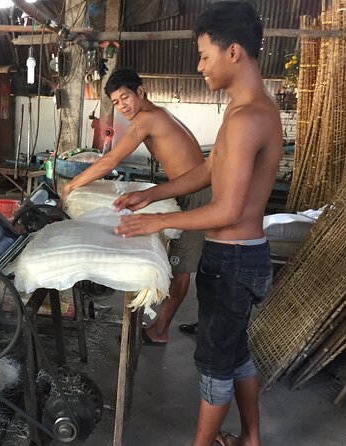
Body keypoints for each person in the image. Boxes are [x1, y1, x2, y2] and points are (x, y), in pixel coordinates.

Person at [115, 3, 281, 445]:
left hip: (233, 259)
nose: (199, 65)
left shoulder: (249, 118)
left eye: (205, 55)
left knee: (213, 362)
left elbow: (227, 209)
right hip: (237, 257)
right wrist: (152, 194)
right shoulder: (241, 109)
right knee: (235, 352)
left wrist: (160, 222)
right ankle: (250, 438)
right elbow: (209, 171)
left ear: (234, 53)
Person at [60, 68, 210, 345]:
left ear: (140, 91)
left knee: (182, 265)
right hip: (187, 186)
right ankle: (164, 326)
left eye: (125, 97)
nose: (122, 106)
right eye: (116, 102)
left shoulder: (147, 118)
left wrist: (71, 185)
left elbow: (111, 161)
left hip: (197, 192)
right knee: (180, 261)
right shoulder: (157, 114)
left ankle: (160, 330)